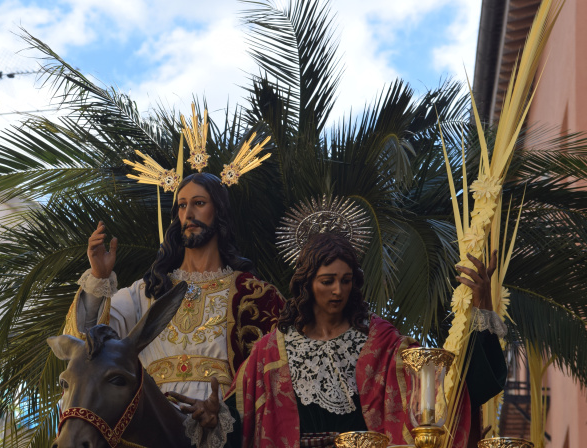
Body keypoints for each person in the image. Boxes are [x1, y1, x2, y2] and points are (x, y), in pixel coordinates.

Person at [223, 232, 507, 447]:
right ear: (307, 283)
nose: (338, 291)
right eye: (327, 281)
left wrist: (481, 307)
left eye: (346, 280)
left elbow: (444, 390)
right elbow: (236, 421)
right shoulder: (271, 352)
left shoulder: (383, 343)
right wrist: (211, 419)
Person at [62, 172, 285, 446]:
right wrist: (98, 278)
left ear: (220, 211)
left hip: (220, 430)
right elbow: (88, 344)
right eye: (181, 205)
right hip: (151, 427)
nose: (189, 212)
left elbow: (272, 380)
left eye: (199, 203)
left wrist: (224, 411)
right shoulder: (147, 292)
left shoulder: (253, 295)